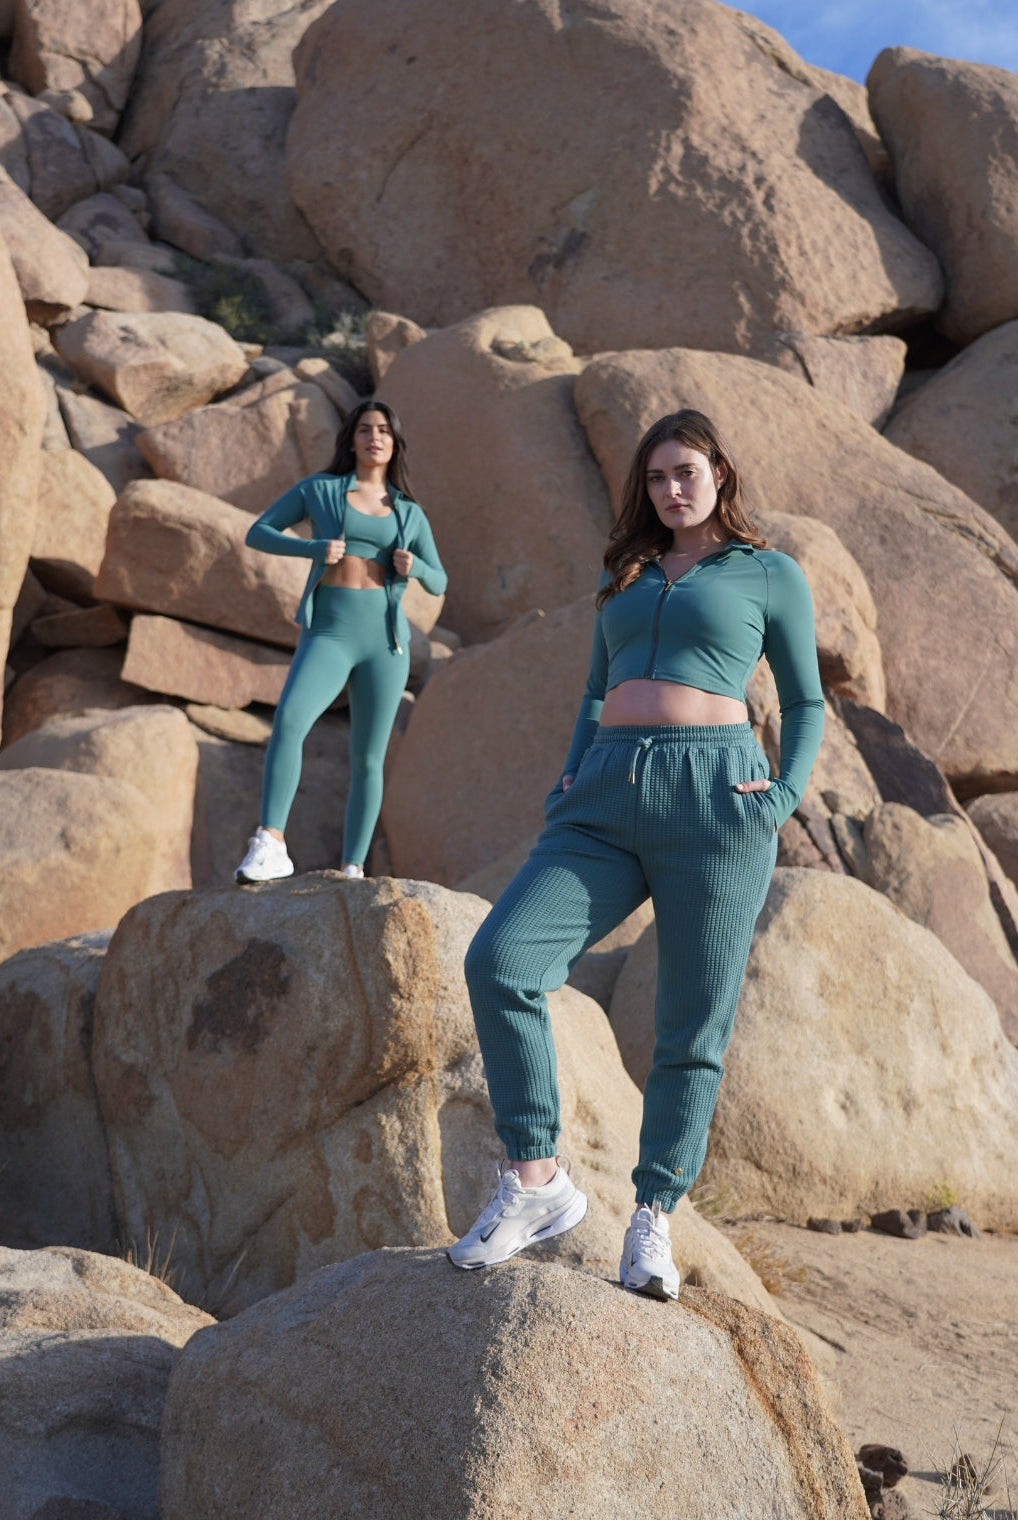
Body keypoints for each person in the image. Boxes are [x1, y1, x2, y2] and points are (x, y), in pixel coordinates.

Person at [448, 408, 823, 1299]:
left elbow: (806, 702)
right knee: (502, 959)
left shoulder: (768, 573)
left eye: (686, 471)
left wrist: (780, 797)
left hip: (716, 797)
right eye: (656, 478)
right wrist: (571, 775)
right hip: (605, 797)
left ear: (721, 473)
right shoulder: (627, 574)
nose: (672, 489)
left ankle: (653, 1221)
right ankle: (536, 1181)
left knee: (691, 1026)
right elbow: (592, 691)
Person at [234, 400, 447, 884]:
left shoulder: (409, 512)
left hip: (386, 641)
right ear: (351, 439)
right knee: (289, 720)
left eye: (384, 432)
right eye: (366, 430)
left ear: (395, 445)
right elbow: (258, 532)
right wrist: (310, 547)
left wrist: (415, 567)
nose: (375, 438)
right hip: (330, 629)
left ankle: (353, 867)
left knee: (369, 757)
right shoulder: (321, 490)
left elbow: (440, 581)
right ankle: (270, 843)